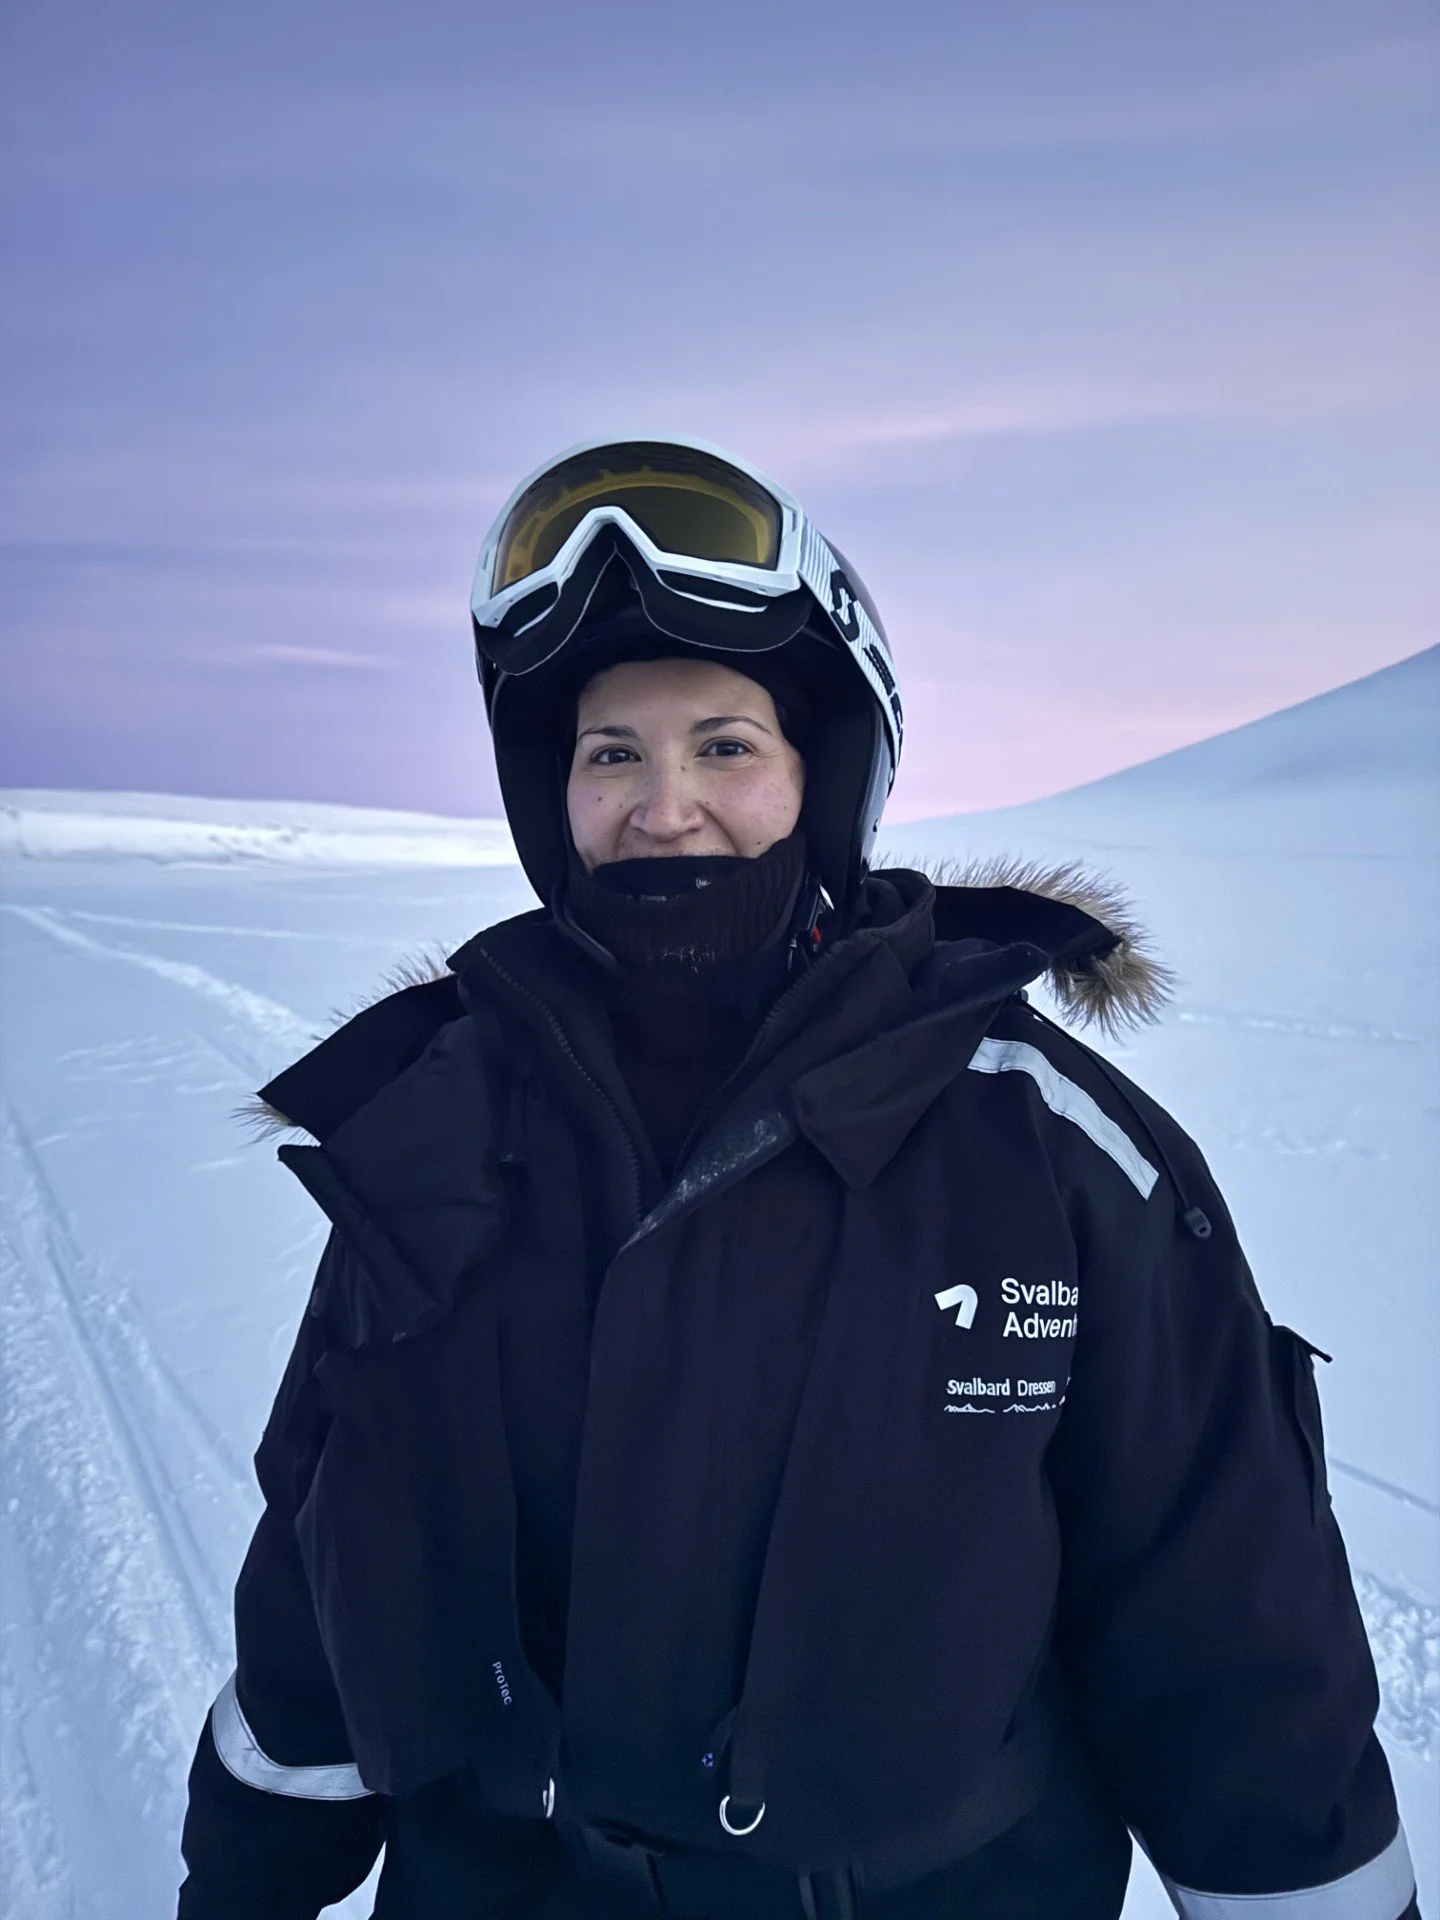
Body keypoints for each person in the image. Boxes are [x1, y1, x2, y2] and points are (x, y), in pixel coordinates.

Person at [177, 438, 1419, 1920]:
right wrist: (242, 1879)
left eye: (723, 745)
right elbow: (326, 1579)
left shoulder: (1043, 1150)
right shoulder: (436, 1132)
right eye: (611, 754)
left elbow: (1225, 1620)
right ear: (551, 795)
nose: (664, 805)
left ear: (821, 777)